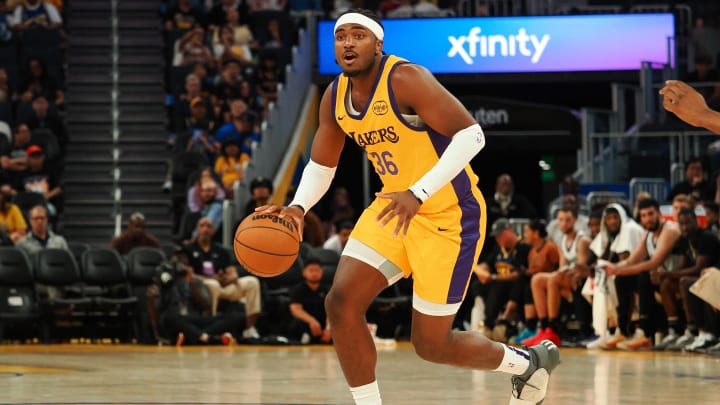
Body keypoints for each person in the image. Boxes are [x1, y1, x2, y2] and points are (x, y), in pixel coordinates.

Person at [257, 9, 559, 405]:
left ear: (378, 43)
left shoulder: (404, 78)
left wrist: (418, 193)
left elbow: (472, 136)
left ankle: (528, 362)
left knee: (431, 345)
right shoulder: (334, 97)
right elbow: (321, 164)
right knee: (341, 302)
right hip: (393, 209)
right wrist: (297, 206)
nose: (348, 43)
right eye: (341, 36)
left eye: (358, 35)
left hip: (449, 215)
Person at [605, 198, 682, 350]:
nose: (647, 219)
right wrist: (611, 267)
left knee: (643, 276)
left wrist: (619, 269)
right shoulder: (647, 233)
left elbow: (653, 263)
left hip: (673, 277)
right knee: (621, 279)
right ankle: (622, 330)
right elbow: (632, 260)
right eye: (644, 216)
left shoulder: (670, 230)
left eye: (650, 214)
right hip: (658, 277)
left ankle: (645, 332)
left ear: (659, 213)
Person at [523, 206, 593, 347]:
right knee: (537, 280)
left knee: (554, 279)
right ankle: (543, 328)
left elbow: (582, 268)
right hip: (567, 277)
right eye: (560, 220)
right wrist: (560, 272)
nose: (563, 223)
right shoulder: (562, 240)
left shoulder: (582, 240)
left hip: (582, 279)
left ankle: (552, 327)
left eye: (567, 220)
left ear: (575, 220)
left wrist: (561, 273)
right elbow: (562, 266)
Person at [651, 208, 719, 352]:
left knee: (685, 282)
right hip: (701, 277)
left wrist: (668, 274)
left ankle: (698, 331)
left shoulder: (706, 237)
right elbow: (681, 267)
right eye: (681, 224)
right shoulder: (683, 239)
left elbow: (698, 268)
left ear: (696, 221)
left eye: (688, 223)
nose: (684, 227)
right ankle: (674, 330)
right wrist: (666, 275)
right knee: (668, 283)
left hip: (710, 277)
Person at [183, 217, 262, 339]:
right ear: (197, 229)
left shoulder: (221, 250)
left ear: (213, 230)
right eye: (202, 226)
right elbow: (189, 275)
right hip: (203, 286)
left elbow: (233, 272)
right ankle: (213, 324)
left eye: (209, 226)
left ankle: (249, 328)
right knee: (212, 284)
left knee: (252, 282)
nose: (205, 229)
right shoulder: (189, 249)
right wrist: (210, 279)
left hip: (224, 285)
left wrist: (230, 278)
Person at [585, 203, 644, 349]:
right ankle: (607, 331)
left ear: (622, 217)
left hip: (639, 274)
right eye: (609, 218)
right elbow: (599, 256)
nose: (612, 221)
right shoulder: (611, 233)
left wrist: (603, 266)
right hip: (623, 273)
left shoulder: (630, 229)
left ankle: (620, 329)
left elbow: (625, 260)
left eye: (615, 217)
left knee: (614, 280)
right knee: (591, 282)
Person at [473, 218, 531, 342]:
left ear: (509, 231)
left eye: (500, 235)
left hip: (515, 287)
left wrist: (492, 277)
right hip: (498, 284)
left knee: (498, 285)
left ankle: (495, 323)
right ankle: (481, 322)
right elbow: (484, 265)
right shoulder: (498, 248)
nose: (497, 239)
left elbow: (516, 274)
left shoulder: (522, 247)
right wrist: (481, 272)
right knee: (476, 285)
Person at [288, 256, 332, 344]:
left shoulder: (328, 290)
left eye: (317, 270)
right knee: (296, 324)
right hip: (307, 323)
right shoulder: (298, 289)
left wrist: (328, 328)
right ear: (304, 272)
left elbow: (331, 311)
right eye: (311, 270)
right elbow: (296, 309)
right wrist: (312, 321)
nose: (314, 273)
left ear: (322, 272)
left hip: (324, 323)